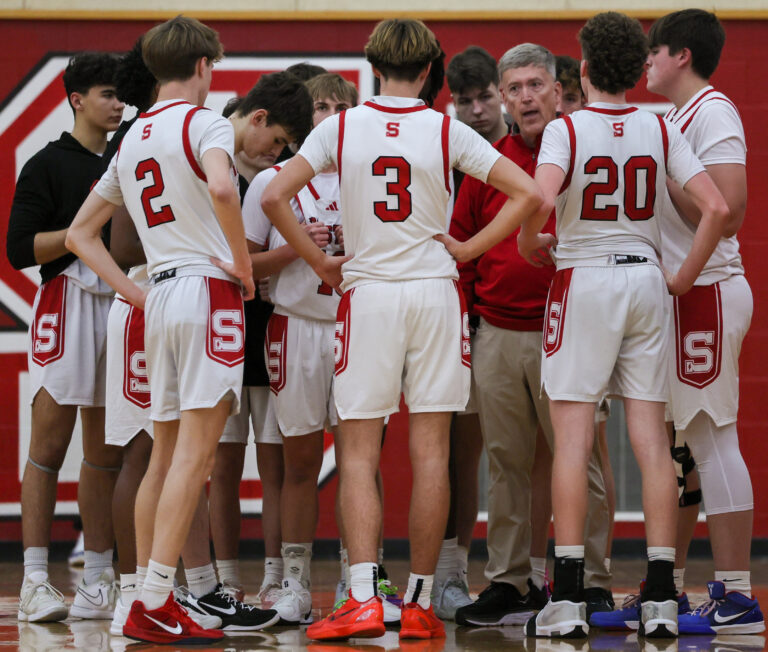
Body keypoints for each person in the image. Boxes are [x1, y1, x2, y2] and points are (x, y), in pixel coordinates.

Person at [261, 17, 542, 641]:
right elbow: (528, 193)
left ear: (372, 64)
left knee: (358, 453)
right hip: (436, 294)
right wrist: (469, 250)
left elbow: (275, 195)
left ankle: (362, 596)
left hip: (371, 293)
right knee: (431, 451)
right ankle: (417, 602)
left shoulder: (338, 126)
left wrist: (319, 262)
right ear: (428, 71)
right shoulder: (446, 129)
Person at [65, 15, 312, 644]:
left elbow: (79, 235)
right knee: (193, 457)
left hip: (160, 295)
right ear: (205, 67)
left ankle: (138, 602)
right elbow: (226, 189)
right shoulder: (204, 122)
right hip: (205, 292)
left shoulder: (134, 133)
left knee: (165, 456)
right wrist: (240, 264)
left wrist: (132, 293)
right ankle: (152, 600)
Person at [520, 11, 728, 640]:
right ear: (639, 69)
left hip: (583, 276)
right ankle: (663, 592)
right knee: (650, 438)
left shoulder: (566, 128)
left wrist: (532, 241)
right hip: (645, 276)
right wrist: (685, 275)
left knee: (574, 436)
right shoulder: (661, 125)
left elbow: (538, 199)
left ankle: (569, 593)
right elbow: (716, 207)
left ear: (580, 70)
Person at [449, 42, 614, 628]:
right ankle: (509, 583)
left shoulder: (587, 152)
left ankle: (592, 582)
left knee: (584, 463)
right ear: (504, 97)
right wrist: (468, 323)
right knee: (505, 463)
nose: (525, 97)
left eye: (535, 85)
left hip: (569, 331)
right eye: (514, 88)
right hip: (497, 331)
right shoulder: (486, 162)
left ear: (558, 89)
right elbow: (462, 247)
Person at [649, 9, 760, 635]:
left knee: (714, 440)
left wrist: (664, 171)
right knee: (686, 448)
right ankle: (677, 584)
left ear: (681, 55)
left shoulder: (713, 111)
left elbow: (730, 209)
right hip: (688, 295)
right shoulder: (673, 118)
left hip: (708, 288)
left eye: (654, 51)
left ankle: (739, 597)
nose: (647, 63)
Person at [7, 51, 124, 623]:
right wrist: (78, 238)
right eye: (107, 94)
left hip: (122, 301)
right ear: (77, 99)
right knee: (50, 444)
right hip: (68, 300)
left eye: (122, 95)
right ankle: (33, 581)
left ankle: (99, 580)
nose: (118, 104)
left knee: (105, 454)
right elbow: (18, 249)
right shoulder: (48, 164)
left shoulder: (131, 151)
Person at [244, 72, 364, 626]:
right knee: (300, 463)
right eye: (321, 106)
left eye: (343, 106)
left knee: (362, 460)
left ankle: (356, 577)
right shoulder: (271, 181)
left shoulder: (371, 178)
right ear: (305, 117)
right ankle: (293, 581)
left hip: (358, 327)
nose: (332, 115)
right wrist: (297, 250)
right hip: (293, 327)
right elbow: (242, 269)